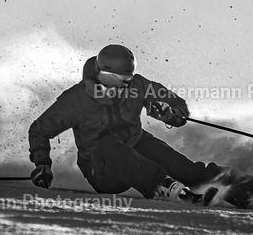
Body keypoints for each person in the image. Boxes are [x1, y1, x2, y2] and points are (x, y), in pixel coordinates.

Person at [27, 44, 219, 202]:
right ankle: (165, 188)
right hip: (102, 170)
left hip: (135, 146)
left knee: (168, 157)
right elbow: (38, 130)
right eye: (112, 79)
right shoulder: (76, 99)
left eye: (126, 80)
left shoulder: (138, 86)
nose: (120, 86)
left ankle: (236, 187)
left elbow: (177, 104)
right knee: (106, 144)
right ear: (99, 73)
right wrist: (42, 163)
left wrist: (170, 114)